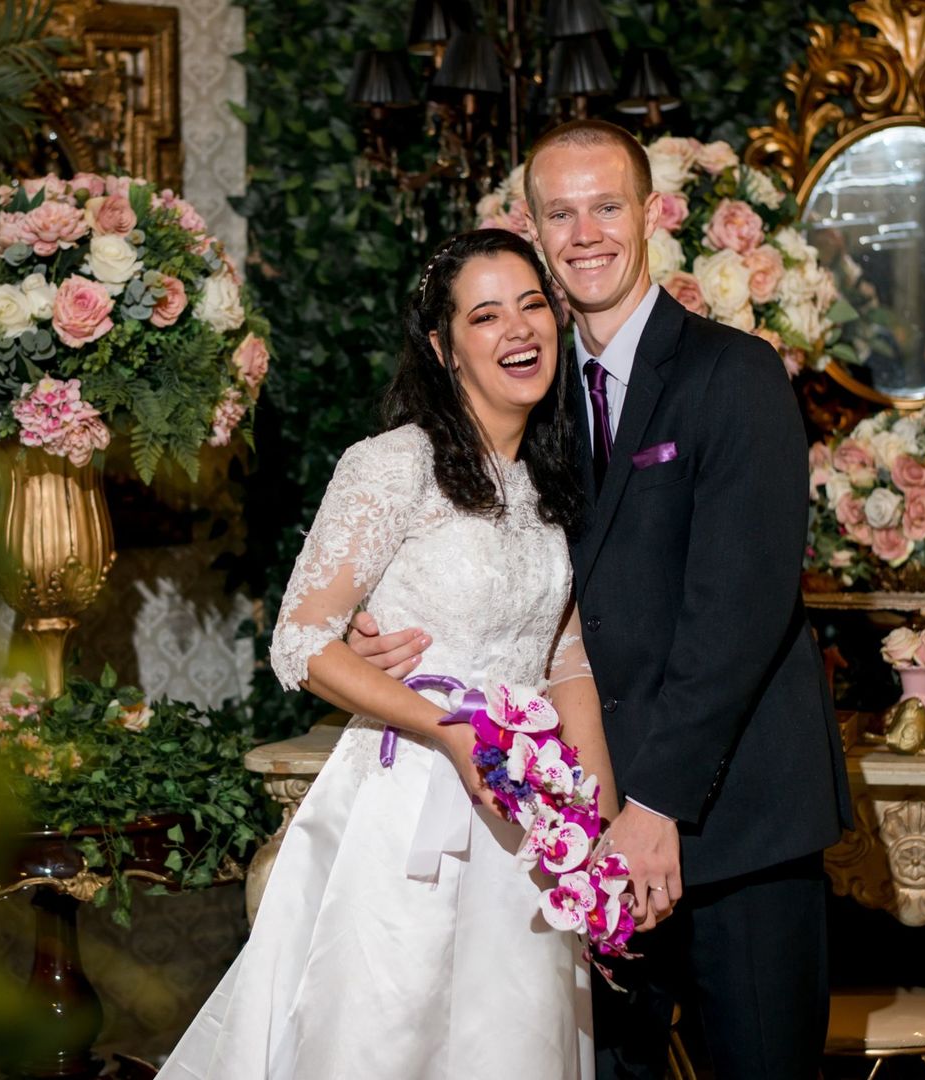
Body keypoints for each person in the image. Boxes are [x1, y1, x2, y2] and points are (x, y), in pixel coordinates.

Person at [350, 120, 853, 1078]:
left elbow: (739, 612)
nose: (584, 233)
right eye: (559, 212)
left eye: (606, 206)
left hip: (729, 825)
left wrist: (655, 803)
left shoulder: (733, 373)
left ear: (652, 214)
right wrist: (397, 632)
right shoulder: (528, 398)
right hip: (577, 828)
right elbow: (501, 573)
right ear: (533, 228)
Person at [157, 228, 608, 1079]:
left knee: (509, 1042)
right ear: (444, 350)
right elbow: (300, 640)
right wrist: (450, 730)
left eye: (531, 305)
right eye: (485, 316)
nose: (518, 330)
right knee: (383, 1034)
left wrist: (596, 825)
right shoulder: (391, 466)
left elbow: (567, 662)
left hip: (527, 817)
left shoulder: (552, 480)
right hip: (409, 801)